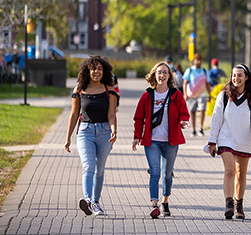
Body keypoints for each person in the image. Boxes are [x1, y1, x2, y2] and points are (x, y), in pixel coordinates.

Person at [132, 61, 190, 218]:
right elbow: (138, 118)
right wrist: (137, 136)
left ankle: (165, 201)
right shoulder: (147, 95)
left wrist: (184, 121)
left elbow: (184, 112)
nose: (162, 75)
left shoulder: (175, 95)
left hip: (170, 141)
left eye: (165, 72)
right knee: (155, 172)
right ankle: (154, 204)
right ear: (154, 75)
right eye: (159, 72)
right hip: (152, 141)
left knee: (167, 174)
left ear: (169, 76)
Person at [207, 63, 251, 220]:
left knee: (241, 173)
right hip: (226, 138)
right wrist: (212, 141)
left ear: (246, 77)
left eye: (240, 75)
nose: (236, 78)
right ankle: (228, 204)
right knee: (230, 170)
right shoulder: (224, 96)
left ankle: (239, 205)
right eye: (234, 75)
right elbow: (216, 118)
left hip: (244, 140)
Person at [64, 55, 118, 216]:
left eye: (100, 69)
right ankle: (87, 200)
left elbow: (111, 115)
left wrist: (114, 129)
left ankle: (96, 202)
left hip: (104, 132)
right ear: (87, 71)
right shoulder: (79, 90)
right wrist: (67, 139)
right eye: (93, 68)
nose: (96, 71)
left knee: (99, 170)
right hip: (85, 132)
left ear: (104, 71)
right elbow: (74, 115)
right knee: (88, 166)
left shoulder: (110, 91)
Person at [182, 53, 211, 137]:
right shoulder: (190, 70)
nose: (198, 62)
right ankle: (194, 129)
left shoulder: (204, 71)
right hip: (192, 94)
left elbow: (208, 83)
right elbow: (185, 82)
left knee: (202, 110)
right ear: (194, 61)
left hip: (202, 94)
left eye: (199, 60)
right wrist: (185, 94)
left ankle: (200, 128)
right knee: (192, 111)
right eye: (196, 60)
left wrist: (209, 94)